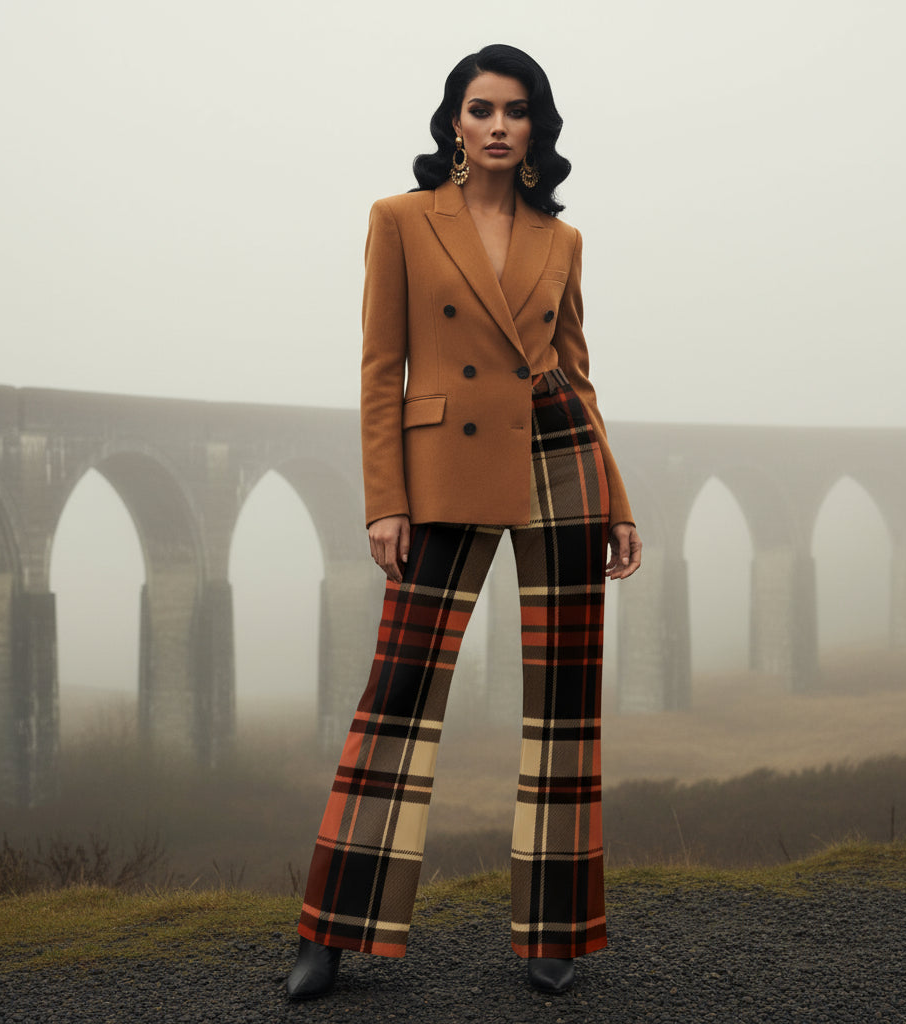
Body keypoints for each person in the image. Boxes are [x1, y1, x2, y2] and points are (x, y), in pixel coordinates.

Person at [287, 42, 642, 1000]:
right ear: (454, 121)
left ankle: (554, 930)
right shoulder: (401, 219)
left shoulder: (562, 240)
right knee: (398, 690)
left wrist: (616, 499)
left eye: (516, 111)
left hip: (559, 452)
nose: (497, 125)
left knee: (565, 699)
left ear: (536, 129)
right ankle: (333, 929)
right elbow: (380, 369)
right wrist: (385, 500)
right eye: (481, 108)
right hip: (444, 465)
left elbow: (578, 374)